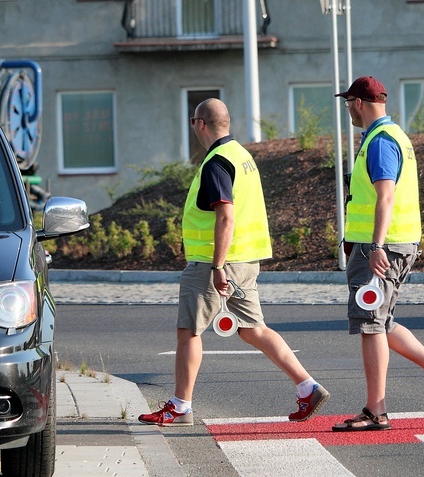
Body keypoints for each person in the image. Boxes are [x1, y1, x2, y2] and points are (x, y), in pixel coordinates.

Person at [139, 98, 329, 427]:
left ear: (200, 124)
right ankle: (307, 386)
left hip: (215, 264)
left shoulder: (216, 162)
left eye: (192, 121)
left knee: (189, 332)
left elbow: (225, 217)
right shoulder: (242, 156)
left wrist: (216, 266)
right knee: (253, 329)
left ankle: (180, 406)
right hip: (244, 260)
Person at [331, 76, 424, 431]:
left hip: (382, 247)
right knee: (382, 321)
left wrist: (375, 245)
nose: (347, 109)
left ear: (359, 102)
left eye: (348, 103)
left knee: (371, 324)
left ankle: (376, 411)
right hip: (396, 243)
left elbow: (385, 196)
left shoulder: (379, 142)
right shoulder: (396, 137)